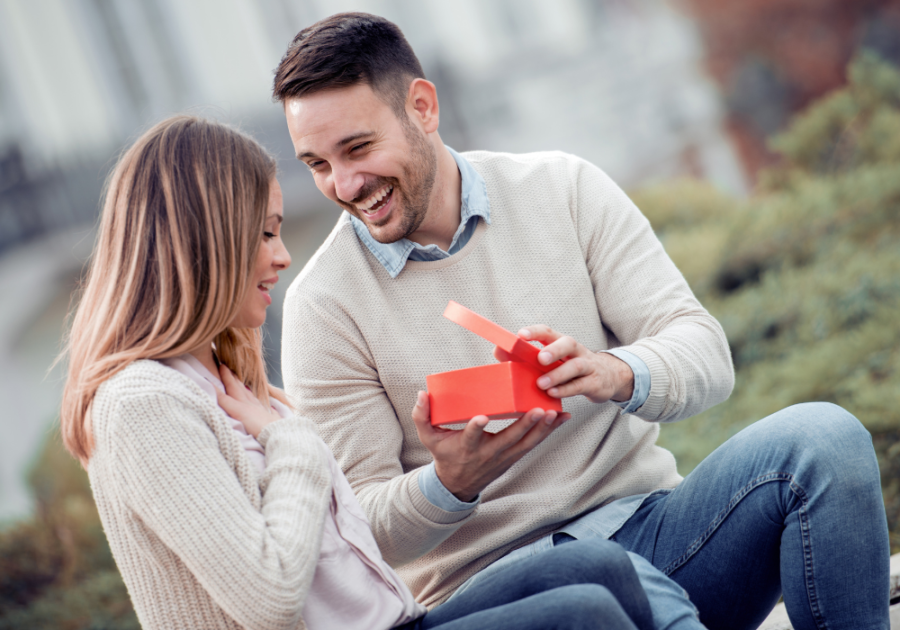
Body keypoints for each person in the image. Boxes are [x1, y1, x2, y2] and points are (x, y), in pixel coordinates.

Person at [273, 12, 892, 630]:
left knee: (825, 441)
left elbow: (703, 351)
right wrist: (449, 484)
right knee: (595, 579)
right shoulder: (323, 307)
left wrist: (613, 371)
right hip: (507, 593)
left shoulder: (561, 189)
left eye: (358, 148)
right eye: (317, 165)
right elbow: (358, 534)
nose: (345, 184)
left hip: (655, 532)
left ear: (423, 107)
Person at [58, 114, 678, 630]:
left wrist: (449, 471)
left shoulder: (220, 379)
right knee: (583, 614)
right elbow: (269, 596)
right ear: (205, 244)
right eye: (265, 233)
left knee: (599, 569)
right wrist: (293, 442)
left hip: (396, 618)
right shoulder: (142, 403)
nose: (282, 255)